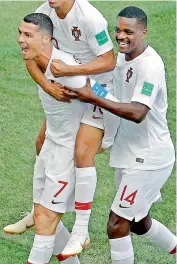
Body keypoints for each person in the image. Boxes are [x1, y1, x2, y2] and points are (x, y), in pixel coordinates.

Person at [62, 6, 177, 263]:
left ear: (144, 32)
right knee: (138, 222)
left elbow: (138, 112)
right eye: (118, 30)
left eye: (129, 31)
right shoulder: (122, 57)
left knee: (117, 224)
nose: (121, 36)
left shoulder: (150, 66)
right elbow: (114, 96)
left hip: (149, 159)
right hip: (128, 154)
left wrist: (93, 97)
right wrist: (87, 89)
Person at [4, 0, 119, 257]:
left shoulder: (89, 18)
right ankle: (37, 212)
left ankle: (81, 229)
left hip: (94, 91)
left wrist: (71, 70)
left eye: (27, 35)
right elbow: (33, 59)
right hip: (66, 84)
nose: (21, 39)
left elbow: (109, 61)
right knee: (41, 141)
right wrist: (48, 85)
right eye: (20, 34)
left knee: (81, 152)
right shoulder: (44, 14)